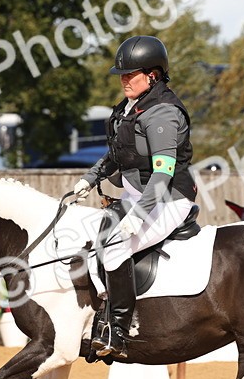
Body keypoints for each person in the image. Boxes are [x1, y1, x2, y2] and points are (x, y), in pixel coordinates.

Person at [71, 35, 196, 359]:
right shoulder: (130, 109)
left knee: (113, 252)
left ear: (152, 75)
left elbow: (162, 175)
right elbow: (115, 154)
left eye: (131, 74)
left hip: (168, 199)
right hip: (134, 195)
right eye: (122, 74)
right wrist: (87, 180)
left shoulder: (163, 114)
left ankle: (118, 332)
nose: (124, 80)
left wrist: (136, 218)